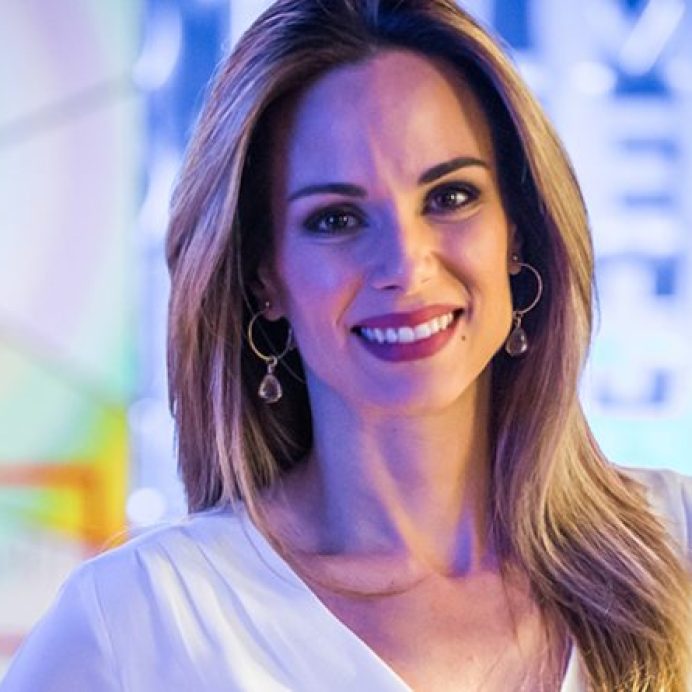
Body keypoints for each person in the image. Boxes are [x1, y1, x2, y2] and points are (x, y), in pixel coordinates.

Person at [2, 0, 690, 690]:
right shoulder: (142, 618)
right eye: (336, 219)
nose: (406, 265)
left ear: (518, 233)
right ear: (264, 277)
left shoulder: (677, 542)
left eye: (450, 197)